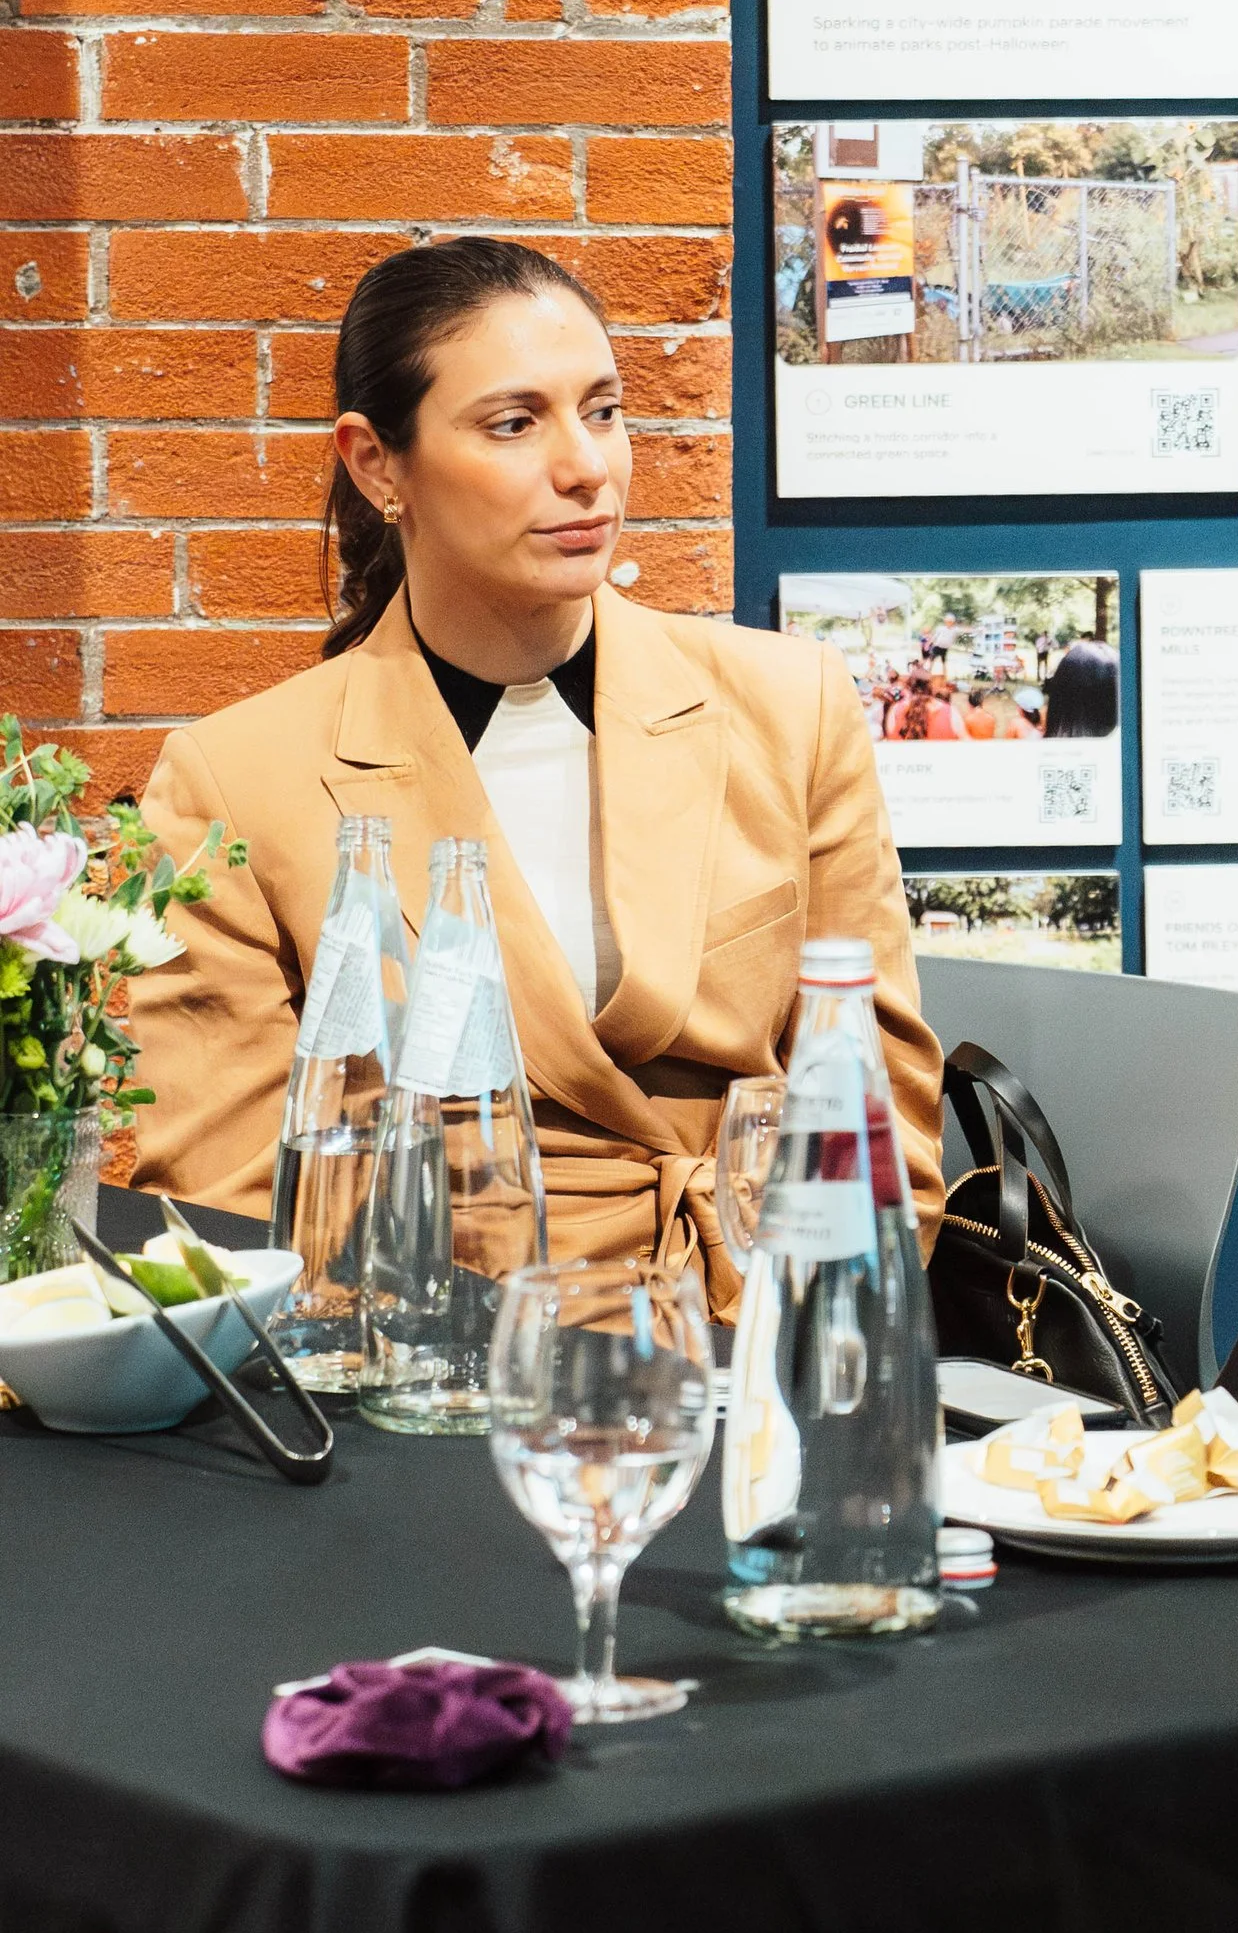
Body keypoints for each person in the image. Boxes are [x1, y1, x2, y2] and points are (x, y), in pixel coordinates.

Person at [127, 238, 943, 1308]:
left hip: (757, 1327)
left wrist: (791, 1339)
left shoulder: (789, 705)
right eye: (514, 424)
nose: (586, 466)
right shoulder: (237, 783)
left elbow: (880, 1118)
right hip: (433, 1359)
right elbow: (228, 1216)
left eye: (603, 410)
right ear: (377, 465)